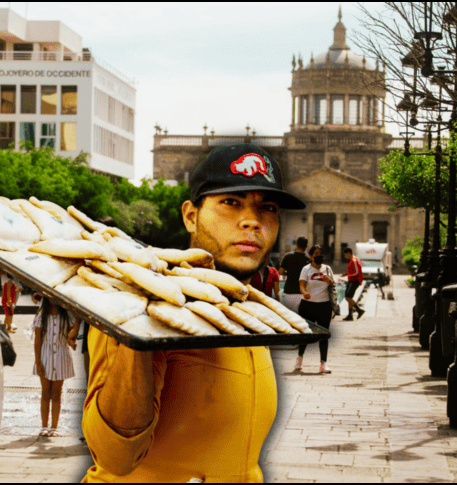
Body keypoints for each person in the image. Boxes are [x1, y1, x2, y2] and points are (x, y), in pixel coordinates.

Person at [82, 143, 306, 482]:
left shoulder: (244, 310)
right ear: (191, 215)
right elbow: (116, 455)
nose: (251, 221)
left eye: (268, 208)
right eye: (231, 203)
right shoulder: (149, 305)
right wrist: (138, 334)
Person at [32, 297, 80, 437]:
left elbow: (70, 336)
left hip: (61, 356)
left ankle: (54, 427)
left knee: (56, 394)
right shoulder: (42, 315)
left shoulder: (67, 315)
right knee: (45, 392)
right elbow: (37, 340)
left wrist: (72, 343)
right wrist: (38, 362)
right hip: (45, 356)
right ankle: (44, 426)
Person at [296, 245, 335, 373]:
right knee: (305, 333)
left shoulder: (327, 269)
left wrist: (328, 280)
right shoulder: (306, 269)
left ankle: (323, 364)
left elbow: (333, 285)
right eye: (316, 253)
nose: (319, 255)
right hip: (309, 305)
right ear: (311, 256)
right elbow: (302, 285)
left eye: (321, 253)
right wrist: (304, 293)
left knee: (324, 334)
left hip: (324, 305)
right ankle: (299, 359)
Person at [278, 236, 311, 313]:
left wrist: (288, 273)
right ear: (306, 246)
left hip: (289, 291)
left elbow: (280, 272)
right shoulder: (308, 259)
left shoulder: (288, 256)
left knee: (288, 318)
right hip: (302, 293)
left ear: (296, 245)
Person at [341, 247, 365, 321]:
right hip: (352, 280)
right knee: (349, 298)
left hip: (354, 281)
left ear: (348, 253)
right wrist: (347, 274)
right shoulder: (352, 260)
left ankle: (359, 310)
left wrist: (348, 275)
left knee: (347, 297)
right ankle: (350, 315)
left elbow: (357, 272)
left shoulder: (354, 260)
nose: (345, 256)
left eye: (345, 254)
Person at [0, 268, 21, 333]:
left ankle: (4, 327)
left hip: (8, 301)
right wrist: (9, 300)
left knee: (8, 314)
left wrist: (17, 290)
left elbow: (12, 291)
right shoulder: (9, 282)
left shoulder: (9, 282)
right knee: (9, 314)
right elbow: (8, 291)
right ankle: (9, 328)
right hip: (7, 301)